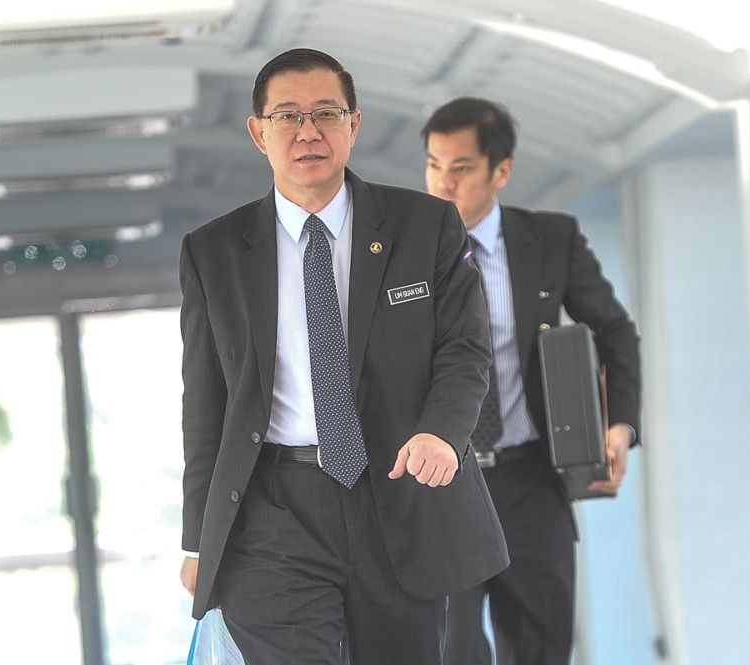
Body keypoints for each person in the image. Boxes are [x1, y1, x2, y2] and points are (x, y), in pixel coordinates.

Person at [178, 50, 509, 665]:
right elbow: (205, 406)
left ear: (354, 125)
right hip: (271, 510)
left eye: (326, 114)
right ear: (258, 132)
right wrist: (199, 540)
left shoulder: (425, 225)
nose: (308, 132)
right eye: (288, 116)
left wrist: (441, 431)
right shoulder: (213, 252)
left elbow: (465, 348)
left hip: (397, 496)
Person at [422, 97, 642, 665]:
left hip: (532, 480)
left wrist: (619, 426)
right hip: (441, 486)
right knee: (449, 648)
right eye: (434, 165)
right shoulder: (400, 251)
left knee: (541, 646)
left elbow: (615, 332)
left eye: (461, 168)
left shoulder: (550, 240)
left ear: (501, 171)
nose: (444, 183)